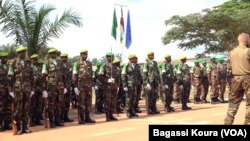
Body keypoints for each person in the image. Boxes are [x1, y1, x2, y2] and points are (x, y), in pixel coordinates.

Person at [224, 33, 250, 125]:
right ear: (246, 40)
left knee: (233, 103)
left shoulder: (231, 52)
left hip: (235, 79)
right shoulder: (248, 51)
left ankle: (228, 123)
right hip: (247, 78)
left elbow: (229, 68)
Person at [8, 46, 33, 135]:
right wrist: (10, 90)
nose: (23, 53)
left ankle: (25, 128)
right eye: (21, 52)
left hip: (27, 88)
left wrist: (32, 88)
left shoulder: (28, 62)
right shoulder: (13, 62)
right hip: (18, 88)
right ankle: (18, 128)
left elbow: (31, 76)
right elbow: (10, 77)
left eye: (24, 51)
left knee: (26, 108)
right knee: (18, 109)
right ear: (18, 53)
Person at [72, 50, 96, 124]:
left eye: (86, 54)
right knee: (81, 102)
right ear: (81, 55)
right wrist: (75, 86)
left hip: (88, 85)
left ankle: (87, 117)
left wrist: (92, 85)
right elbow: (74, 75)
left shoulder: (89, 63)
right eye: (84, 54)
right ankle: (81, 118)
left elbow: (91, 75)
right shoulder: (77, 63)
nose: (85, 56)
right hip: (81, 85)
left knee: (88, 102)